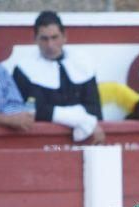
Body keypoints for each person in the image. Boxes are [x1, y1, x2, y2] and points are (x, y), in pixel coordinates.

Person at [12, 10, 103, 144]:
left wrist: (74, 117)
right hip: (41, 141)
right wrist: (81, 119)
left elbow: (95, 110)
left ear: (64, 36)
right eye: (44, 39)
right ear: (35, 39)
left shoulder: (83, 64)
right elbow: (33, 110)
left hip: (85, 139)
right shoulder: (23, 70)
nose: (50, 45)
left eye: (54, 37)